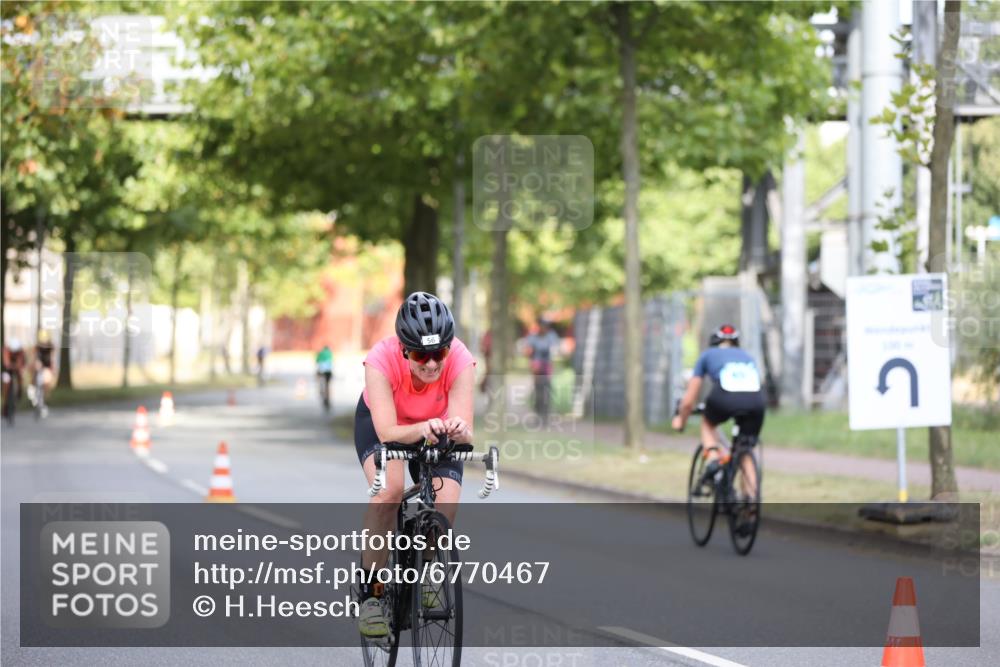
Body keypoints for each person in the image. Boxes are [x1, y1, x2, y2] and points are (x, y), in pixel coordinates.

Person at [354, 291, 476, 638]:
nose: (432, 364)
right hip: (385, 428)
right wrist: (421, 428)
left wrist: (458, 430)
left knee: (446, 499)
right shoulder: (380, 360)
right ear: (404, 349)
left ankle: (428, 568)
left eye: (439, 353)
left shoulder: (461, 359)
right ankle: (372, 596)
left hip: (435, 429)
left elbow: (466, 432)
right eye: (421, 355)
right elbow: (388, 431)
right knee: (389, 493)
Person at [672, 324, 765, 490]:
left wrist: (680, 420)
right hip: (756, 401)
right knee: (746, 450)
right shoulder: (747, 357)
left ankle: (714, 460)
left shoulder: (707, 355)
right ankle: (750, 505)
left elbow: (688, 400)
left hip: (724, 397)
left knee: (707, 423)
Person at [523, 318, 560, 419]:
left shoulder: (551, 336)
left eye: (546, 326)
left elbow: (556, 349)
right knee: (538, 388)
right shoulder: (533, 337)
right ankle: (538, 410)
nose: (544, 328)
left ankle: (546, 412)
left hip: (547, 364)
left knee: (547, 388)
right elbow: (527, 351)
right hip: (537, 364)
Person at [2, 337, 27, 423]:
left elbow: (21, 362)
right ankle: (6, 401)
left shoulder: (21, 351)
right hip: (7, 370)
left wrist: (18, 367)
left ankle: (19, 391)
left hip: (17, 369)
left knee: (21, 377)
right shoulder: (6, 350)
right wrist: (9, 365)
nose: (14, 353)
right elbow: (6, 362)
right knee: (6, 382)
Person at [30, 331, 55, 415]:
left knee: (47, 382)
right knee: (34, 372)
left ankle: (44, 401)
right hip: (38, 364)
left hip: (47, 366)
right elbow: (33, 357)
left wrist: (52, 368)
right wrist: (35, 363)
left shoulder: (51, 346)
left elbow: (52, 358)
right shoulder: (36, 347)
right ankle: (32, 388)